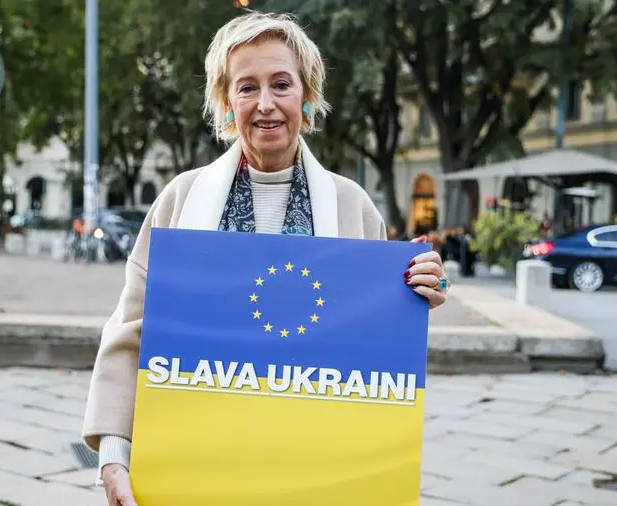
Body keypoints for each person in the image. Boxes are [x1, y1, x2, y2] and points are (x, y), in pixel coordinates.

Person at [81, 13, 448, 506]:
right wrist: (113, 455)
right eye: (247, 87)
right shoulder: (181, 198)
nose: (266, 103)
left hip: (315, 468)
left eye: (281, 84)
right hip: (197, 462)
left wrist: (419, 290)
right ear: (226, 102)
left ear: (307, 95)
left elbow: (371, 339)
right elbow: (132, 331)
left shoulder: (352, 204)